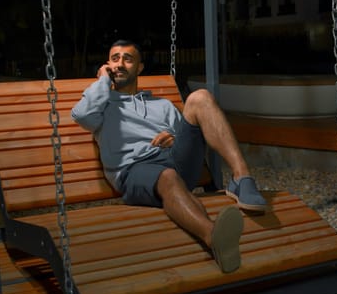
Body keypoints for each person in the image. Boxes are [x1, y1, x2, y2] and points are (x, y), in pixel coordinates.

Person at [71, 40, 267, 273]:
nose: (120, 64)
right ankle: (214, 237)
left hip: (173, 160)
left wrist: (174, 137)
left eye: (127, 59)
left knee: (200, 97)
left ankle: (242, 179)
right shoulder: (102, 106)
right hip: (135, 170)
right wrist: (103, 80)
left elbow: (188, 137)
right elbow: (81, 115)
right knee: (167, 176)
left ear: (140, 68)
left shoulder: (162, 105)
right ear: (106, 65)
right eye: (114, 59)